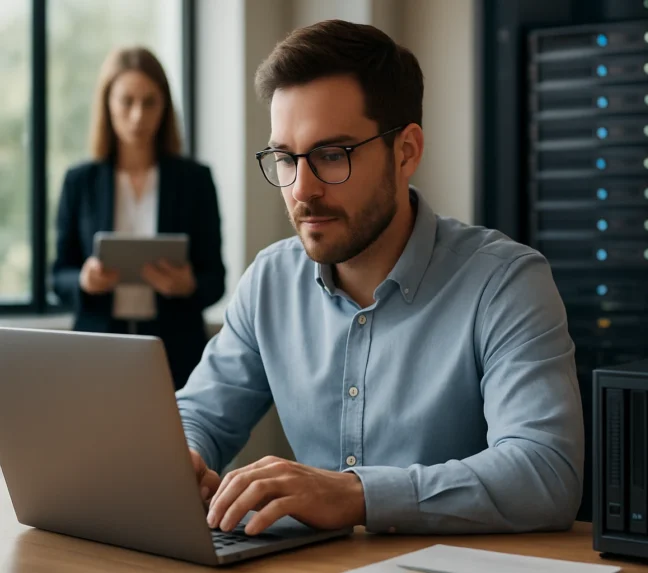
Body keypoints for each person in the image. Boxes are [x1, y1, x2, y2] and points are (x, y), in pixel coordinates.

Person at [177, 20, 584, 536]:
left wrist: (356, 494)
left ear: (406, 152)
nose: (302, 190)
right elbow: (199, 415)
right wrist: (183, 459)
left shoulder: (505, 282)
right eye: (285, 158)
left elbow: (545, 474)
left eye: (331, 155)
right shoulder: (270, 282)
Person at [52, 47, 226, 390]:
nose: (137, 116)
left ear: (165, 107)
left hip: (175, 351)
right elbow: (58, 275)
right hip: (96, 347)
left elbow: (215, 278)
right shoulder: (80, 181)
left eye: (150, 102)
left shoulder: (194, 180)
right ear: (107, 105)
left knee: (169, 444)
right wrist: (85, 281)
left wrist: (187, 285)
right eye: (126, 101)